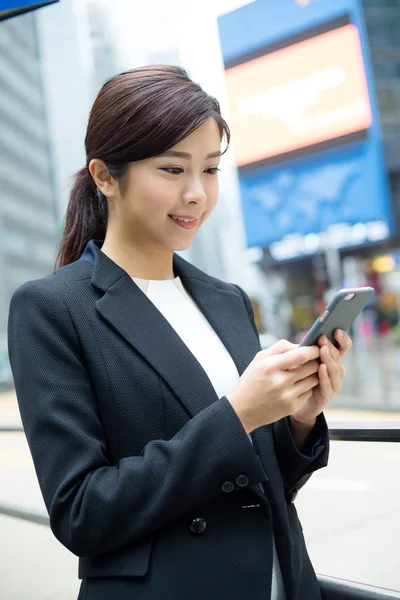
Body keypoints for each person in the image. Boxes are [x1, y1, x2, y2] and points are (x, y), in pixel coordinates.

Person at [7, 65, 351, 600]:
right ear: (104, 177)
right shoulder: (52, 309)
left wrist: (300, 422)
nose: (196, 194)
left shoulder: (227, 300)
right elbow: (81, 512)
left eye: (210, 169)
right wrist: (238, 416)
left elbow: (262, 487)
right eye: (172, 169)